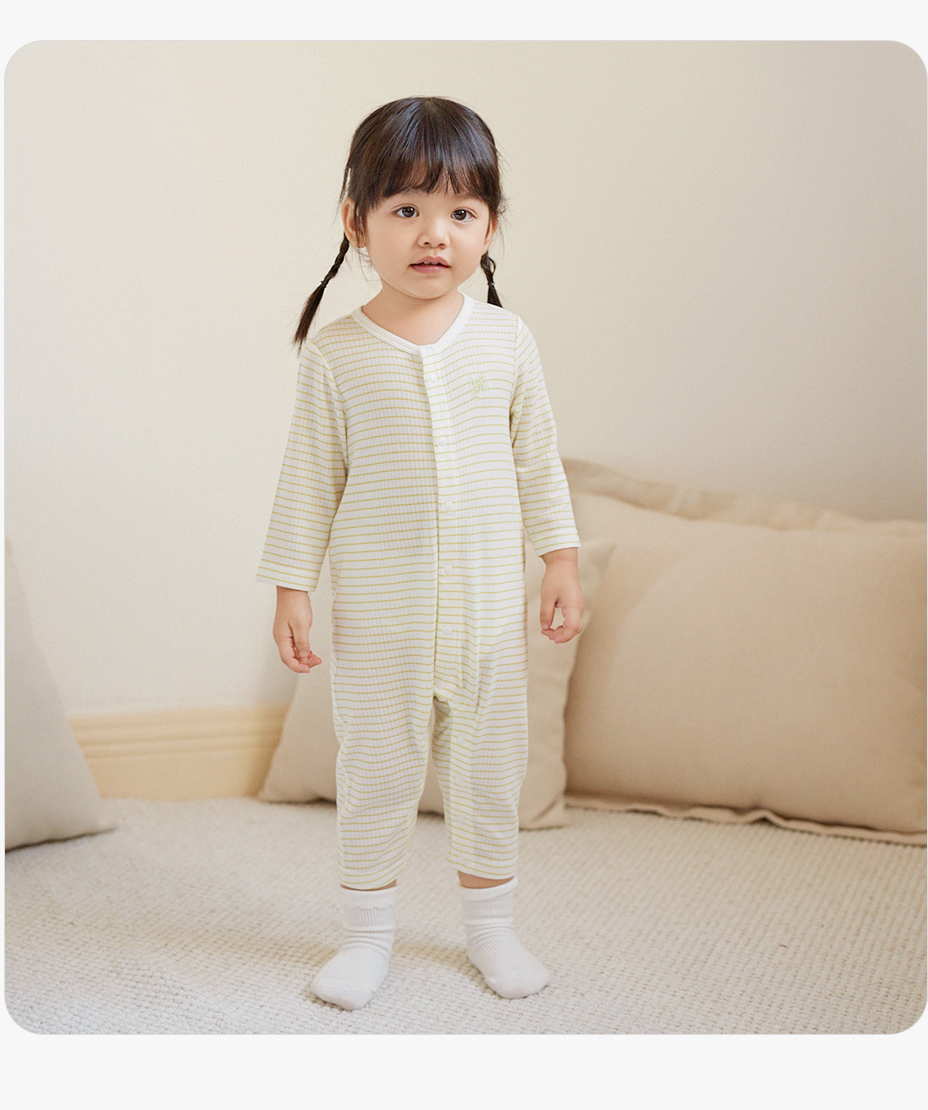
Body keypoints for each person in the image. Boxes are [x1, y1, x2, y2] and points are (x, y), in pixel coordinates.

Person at [257, 96, 585, 1011]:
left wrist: (560, 559)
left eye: (460, 211)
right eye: (406, 208)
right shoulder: (337, 355)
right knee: (374, 774)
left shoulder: (507, 342)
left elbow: (537, 460)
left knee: (489, 775)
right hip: (380, 623)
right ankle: (366, 940)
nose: (434, 233)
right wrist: (291, 587)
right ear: (357, 222)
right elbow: (309, 477)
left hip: (487, 622)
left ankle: (492, 932)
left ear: (490, 226)